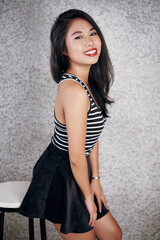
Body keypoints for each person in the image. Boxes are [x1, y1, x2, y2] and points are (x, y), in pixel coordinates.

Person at [19, 9, 122, 240]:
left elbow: (91, 138)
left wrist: (96, 179)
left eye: (92, 33)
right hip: (60, 172)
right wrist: (86, 195)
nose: (89, 41)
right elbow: (75, 155)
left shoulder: (90, 84)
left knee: (113, 235)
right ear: (63, 49)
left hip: (79, 169)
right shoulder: (73, 90)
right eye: (78, 37)